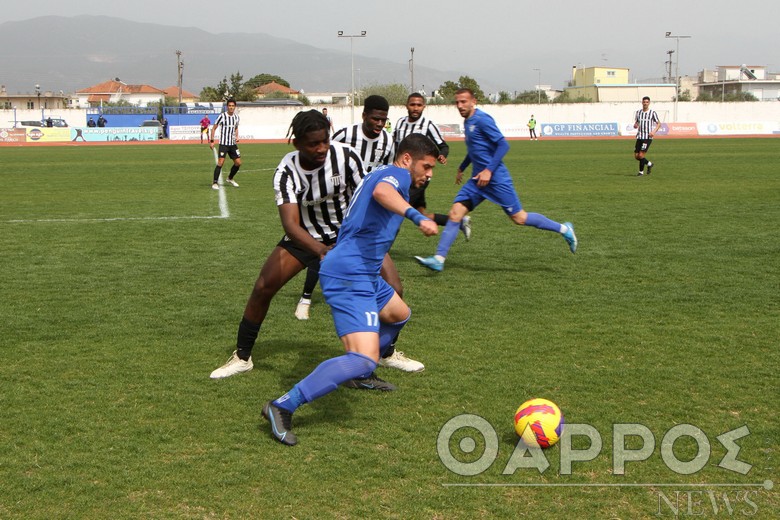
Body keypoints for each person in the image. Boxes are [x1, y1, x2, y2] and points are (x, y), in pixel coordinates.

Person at [261, 133, 441, 446]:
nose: (429, 174)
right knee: (363, 357)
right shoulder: (397, 175)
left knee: (399, 314)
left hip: (364, 271)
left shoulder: (383, 172)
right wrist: (415, 216)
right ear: (407, 159)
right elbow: (383, 193)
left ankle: (359, 375)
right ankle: (283, 406)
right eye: (426, 166)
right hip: (349, 273)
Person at [210, 110, 397, 390]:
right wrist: (323, 251)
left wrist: (362, 239)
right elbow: (290, 224)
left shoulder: (346, 156)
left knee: (394, 287)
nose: (321, 148)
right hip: (306, 238)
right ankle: (242, 357)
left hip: (351, 237)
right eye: (313, 144)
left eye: (325, 141)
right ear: (297, 143)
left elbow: (366, 199)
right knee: (263, 287)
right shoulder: (286, 171)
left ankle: (381, 355)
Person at [294, 95, 425, 373]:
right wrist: (415, 215)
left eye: (383, 119)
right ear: (364, 115)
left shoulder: (388, 143)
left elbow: (389, 177)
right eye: (375, 118)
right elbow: (376, 184)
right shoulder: (345, 137)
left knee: (396, 296)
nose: (379, 123)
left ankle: (380, 354)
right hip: (351, 219)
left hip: (371, 219)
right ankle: (307, 301)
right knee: (325, 262)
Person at [415, 88, 577, 273]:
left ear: (473, 101)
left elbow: (503, 144)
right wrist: (462, 167)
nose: (460, 105)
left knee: (519, 218)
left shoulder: (482, 119)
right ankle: (439, 259)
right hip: (477, 181)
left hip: (496, 179)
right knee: (455, 213)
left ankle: (565, 229)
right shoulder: (467, 122)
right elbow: (475, 149)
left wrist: (489, 171)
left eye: (463, 102)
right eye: (457, 102)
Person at [392, 92, 472, 241]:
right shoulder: (400, 123)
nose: (415, 108)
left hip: (419, 178)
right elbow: (396, 147)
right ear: (406, 106)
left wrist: (442, 155)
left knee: (395, 210)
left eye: (419, 105)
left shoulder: (428, 125)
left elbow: (443, 146)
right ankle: (459, 222)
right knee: (421, 215)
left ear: (424, 107)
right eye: (412, 104)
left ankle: (383, 248)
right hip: (402, 174)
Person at [209, 99, 241, 190]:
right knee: (220, 162)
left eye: (233, 106)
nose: (231, 107)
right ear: (227, 107)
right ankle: (215, 182)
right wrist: (212, 141)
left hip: (232, 144)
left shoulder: (236, 117)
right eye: (229, 106)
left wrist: (237, 136)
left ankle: (230, 178)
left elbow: (236, 128)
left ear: (235, 107)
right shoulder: (222, 116)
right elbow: (214, 128)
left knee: (238, 163)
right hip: (224, 144)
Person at [633, 96, 661, 176]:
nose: (645, 103)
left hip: (647, 137)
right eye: (644, 102)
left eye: (647, 102)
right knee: (636, 156)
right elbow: (637, 122)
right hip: (639, 136)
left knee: (641, 155)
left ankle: (641, 172)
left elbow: (659, 124)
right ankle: (649, 164)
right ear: (642, 102)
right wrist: (635, 125)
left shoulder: (652, 113)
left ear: (649, 103)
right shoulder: (638, 112)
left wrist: (653, 132)